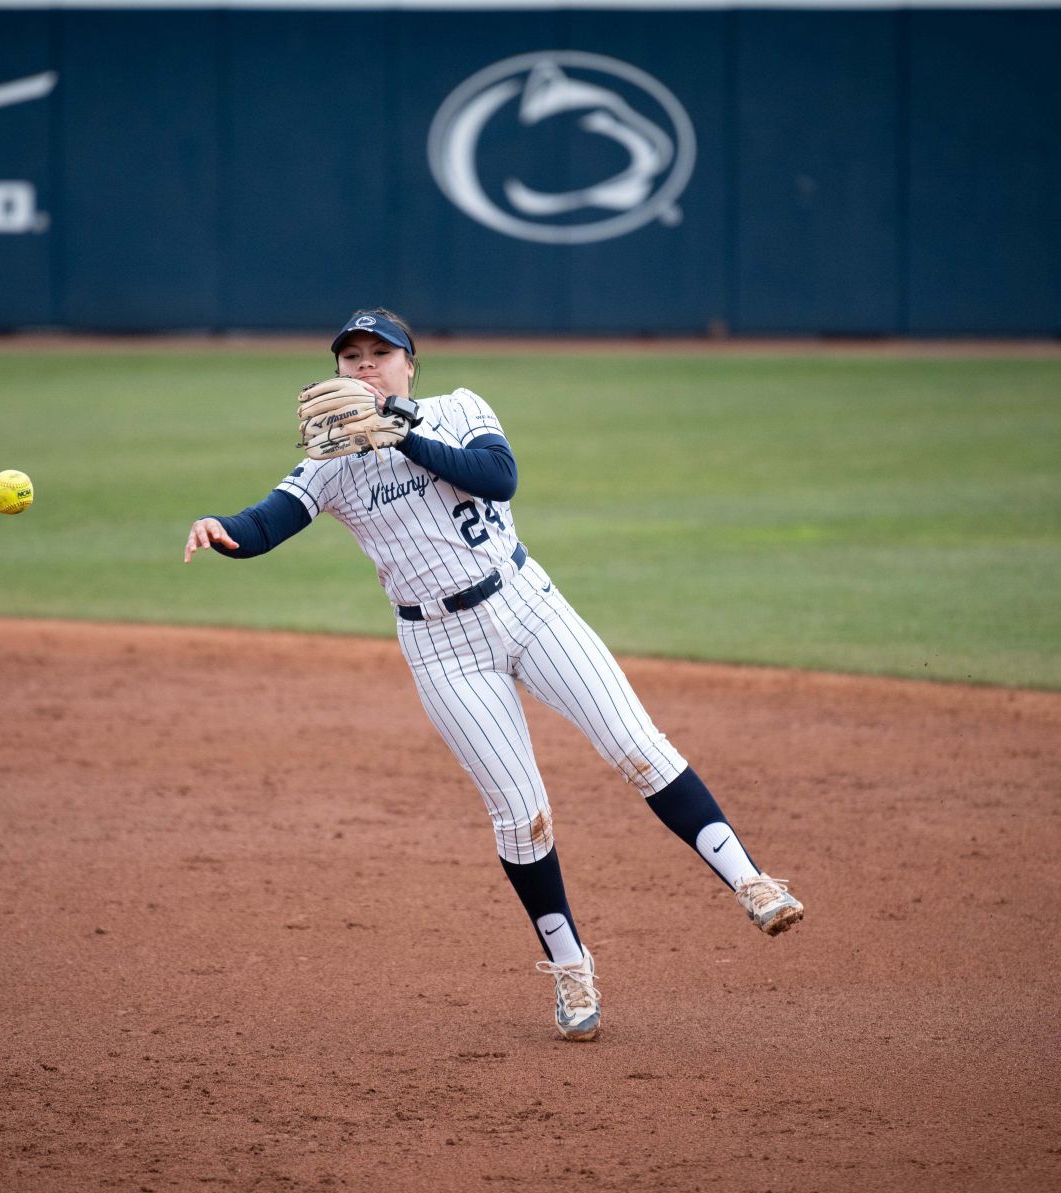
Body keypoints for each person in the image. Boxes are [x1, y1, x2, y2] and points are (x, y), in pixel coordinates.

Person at [183, 308, 804, 1041]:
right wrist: (222, 531)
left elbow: (498, 476)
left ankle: (751, 882)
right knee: (520, 813)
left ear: (409, 364)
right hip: (441, 646)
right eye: (349, 357)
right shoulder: (330, 460)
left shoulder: (458, 408)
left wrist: (403, 428)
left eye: (377, 354)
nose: (361, 368)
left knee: (636, 746)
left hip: (528, 606)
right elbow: (266, 522)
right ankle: (570, 967)